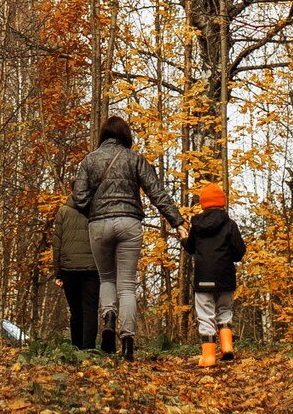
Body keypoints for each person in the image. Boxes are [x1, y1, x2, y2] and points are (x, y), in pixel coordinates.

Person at [69, 113, 184, 358]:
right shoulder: (135, 159)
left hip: (99, 225)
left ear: (103, 136)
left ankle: (109, 317)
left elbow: (79, 197)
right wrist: (178, 221)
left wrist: (96, 211)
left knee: (107, 278)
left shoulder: (90, 161)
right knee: (127, 286)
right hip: (129, 223)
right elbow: (157, 192)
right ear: (125, 135)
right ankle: (128, 342)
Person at [184, 181, 248, 369]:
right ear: (222, 202)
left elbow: (191, 248)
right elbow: (239, 251)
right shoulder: (230, 225)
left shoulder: (196, 225)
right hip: (225, 278)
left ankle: (209, 356)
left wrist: (183, 238)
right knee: (224, 311)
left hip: (203, 279)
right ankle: (227, 347)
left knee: (205, 316)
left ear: (203, 203)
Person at [51, 196, 100, 350]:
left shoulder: (63, 211)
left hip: (69, 268)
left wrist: (57, 272)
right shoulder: (97, 209)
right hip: (92, 267)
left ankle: (76, 349)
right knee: (90, 309)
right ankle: (89, 349)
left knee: (76, 310)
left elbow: (56, 243)